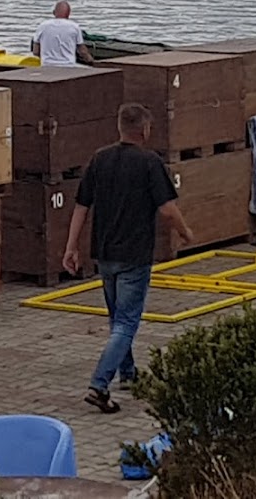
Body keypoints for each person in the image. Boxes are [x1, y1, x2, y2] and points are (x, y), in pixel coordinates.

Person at [63, 103, 193, 413]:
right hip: (134, 255)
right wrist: (186, 232)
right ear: (145, 130)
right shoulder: (150, 163)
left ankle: (129, 372)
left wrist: (71, 247)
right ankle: (99, 385)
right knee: (126, 322)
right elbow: (167, 209)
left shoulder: (99, 159)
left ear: (119, 127)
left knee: (117, 318)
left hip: (104, 254)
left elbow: (81, 206)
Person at [31, 1, 94, 67]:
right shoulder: (74, 27)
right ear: (68, 14)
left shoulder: (42, 26)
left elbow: (35, 51)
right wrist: (91, 61)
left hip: (47, 65)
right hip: (68, 66)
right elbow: (82, 52)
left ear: (54, 12)